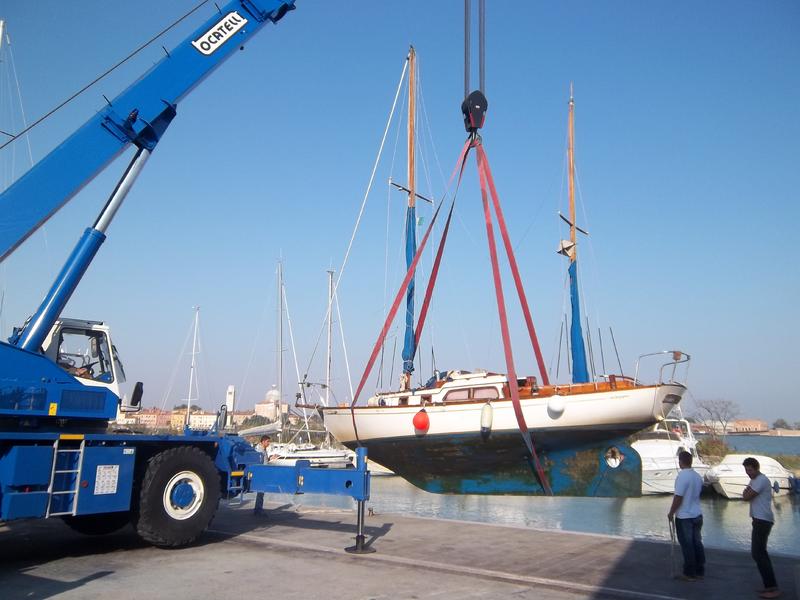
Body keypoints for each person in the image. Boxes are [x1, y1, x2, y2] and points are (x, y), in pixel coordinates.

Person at [742, 457, 780, 599]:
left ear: (756, 468)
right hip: (758, 520)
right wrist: (746, 493)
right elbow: (745, 495)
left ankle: (773, 587)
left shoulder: (761, 480)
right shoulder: (754, 480)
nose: (748, 473)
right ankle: (769, 586)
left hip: (763, 520)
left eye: (750, 470)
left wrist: (747, 493)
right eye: (746, 470)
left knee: (758, 553)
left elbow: (746, 496)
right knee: (759, 553)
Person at [667, 450, 705, 582]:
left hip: (685, 516)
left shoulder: (682, 476)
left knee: (687, 544)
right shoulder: (697, 476)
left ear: (681, 462)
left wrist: (671, 512)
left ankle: (689, 573)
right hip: (697, 514)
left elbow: (678, 497)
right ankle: (700, 570)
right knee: (697, 543)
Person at [253, 435, 274, 515]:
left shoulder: (264, 450)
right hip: (261, 472)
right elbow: (259, 461)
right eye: (268, 441)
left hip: (263, 471)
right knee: (261, 491)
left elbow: (264, 461)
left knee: (261, 492)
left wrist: (270, 459)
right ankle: (258, 510)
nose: (269, 443)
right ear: (263, 441)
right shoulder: (260, 450)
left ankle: (258, 508)